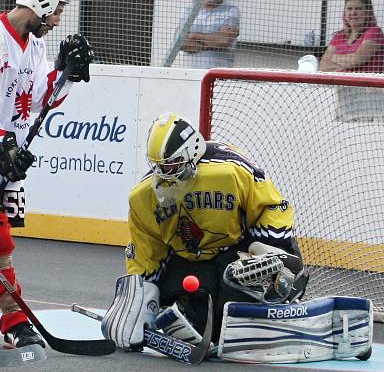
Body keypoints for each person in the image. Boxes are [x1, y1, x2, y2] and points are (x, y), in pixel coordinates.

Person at [0, 0, 94, 348]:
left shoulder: (35, 46)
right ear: (41, 2)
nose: (58, 20)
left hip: (9, 159)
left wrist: (65, 76)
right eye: (57, 10)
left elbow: (35, 101)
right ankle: (15, 322)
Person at [101, 112, 309, 350]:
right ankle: (198, 314)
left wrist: (271, 252)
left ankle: (285, 291)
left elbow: (273, 206)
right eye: (159, 166)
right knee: (201, 320)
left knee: (243, 290)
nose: (164, 174)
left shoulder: (230, 171)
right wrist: (138, 295)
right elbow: (146, 251)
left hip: (236, 255)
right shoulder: (142, 197)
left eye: (171, 165)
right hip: (189, 261)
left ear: (191, 152)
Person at [178, 0, 240, 69]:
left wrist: (193, 36)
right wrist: (213, 40)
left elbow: (224, 41)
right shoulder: (189, 11)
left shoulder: (231, 11)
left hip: (220, 78)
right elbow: (180, 42)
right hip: (190, 76)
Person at [319, 0, 384, 72]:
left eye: (358, 8)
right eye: (349, 9)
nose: (353, 13)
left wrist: (334, 57)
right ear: (344, 13)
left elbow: (358, 59)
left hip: (363, 84)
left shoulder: (374, 32)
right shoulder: (339, 36)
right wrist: (348, 64)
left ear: (368, 12)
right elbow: (323, 66)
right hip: (336, 84)